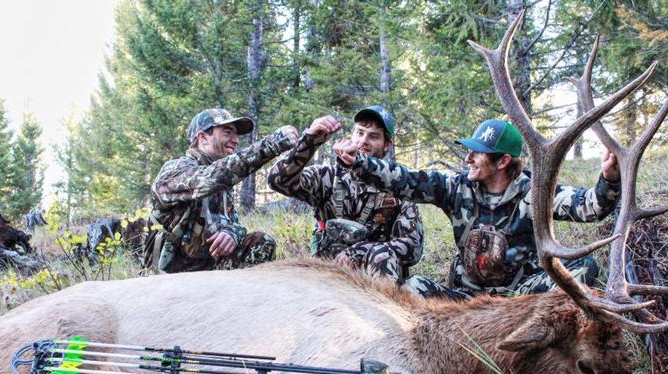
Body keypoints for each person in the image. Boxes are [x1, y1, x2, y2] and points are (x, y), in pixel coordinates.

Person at [334, 118, 621, 299]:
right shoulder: (455, 187)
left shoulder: (535, 193)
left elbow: (590, 207)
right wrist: (360, 163)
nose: (468, 157)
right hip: (465, 299)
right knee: (413, 288)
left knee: (585, 268)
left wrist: (609, 178)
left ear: (502, 161)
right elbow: (406, 179)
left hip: (519, 296)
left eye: (477, 152)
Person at [267, 106, 423, 284]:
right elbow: (278, 181)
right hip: (328, 276)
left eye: (373, 136)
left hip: (375, 281)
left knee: (383, 256)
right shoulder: (327, 176)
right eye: (360, 132)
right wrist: (309, 142)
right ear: (352, 134)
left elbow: (412, 247)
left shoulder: (399, 185)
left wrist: (360, 252)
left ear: (387, 145)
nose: (364, 141)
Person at [143, 108, 298, 273]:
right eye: (227, 132)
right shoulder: (175, 170)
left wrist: (231, 233)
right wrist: (270, 145)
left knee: (261, 242)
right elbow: (210, 178)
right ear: (203, 138)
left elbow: (234, 223)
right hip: (166, 277)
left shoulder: (223, 184)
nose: (236, 140)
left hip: (207, 270)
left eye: (236, 134)